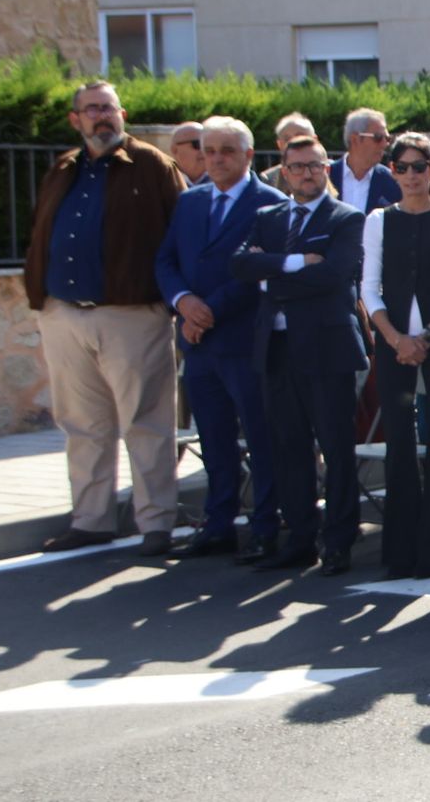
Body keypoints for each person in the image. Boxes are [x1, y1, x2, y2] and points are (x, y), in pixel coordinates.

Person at [27, 81, 186, 556]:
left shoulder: (152, 165)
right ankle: (92, 519)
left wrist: (177, 299)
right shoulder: (63, 168)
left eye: (108, 109)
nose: (102, 117)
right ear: (75, 119)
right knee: (81, 423)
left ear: (123, 114)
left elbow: (180, 233)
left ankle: (156, 521)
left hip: (132, 313)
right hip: (64, 313)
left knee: (146, 421)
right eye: (91, 109)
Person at [231, 134, 368, 576]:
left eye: (314, 165)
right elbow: (240, 266)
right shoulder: (267, 217)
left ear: (326, 169)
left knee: (336, 447)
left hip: (327, 349)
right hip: (277, 347)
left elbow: (335, 274)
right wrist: (293, 264)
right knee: (288, 447)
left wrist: (270, 272)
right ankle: (300, 539)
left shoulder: (345, 218)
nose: (306, 173)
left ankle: (339, 541)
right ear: (284, 172)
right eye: (297, 166)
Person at [154, 115, 287, 562]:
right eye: (208, 151)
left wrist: (207, 311)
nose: (216, 159)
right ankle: (218, 523)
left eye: (226, 151)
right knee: (213, 438)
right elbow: (166, 260)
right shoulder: (191, 203)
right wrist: (183, 301)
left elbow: (260, 269)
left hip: (243, 340)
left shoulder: (269, 203)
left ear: (248, 155)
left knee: (261, 436)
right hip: (199, 342)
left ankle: (267, 525)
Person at [360, 134, 430, 579]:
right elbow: (369, 287)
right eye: (402, 167)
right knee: (398, 443)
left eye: (420, 166)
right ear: (392, 172)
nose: (411, 175)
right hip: (392, 343)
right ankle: (399, 551)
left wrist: (428, 336)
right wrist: (397, 338)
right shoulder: (379, 220)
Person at [330, 108, 400, 213]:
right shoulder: (326, 176)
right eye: (378, 137)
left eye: (387, 138)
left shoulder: (393, 182)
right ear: (355, 139)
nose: (385, 144)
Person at [259, 112, 315, 195]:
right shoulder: (269, 178)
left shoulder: (332, 170)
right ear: (280, 145)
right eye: (287, 139)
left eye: (300, 137)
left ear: (315, 140)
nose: (293, 142)